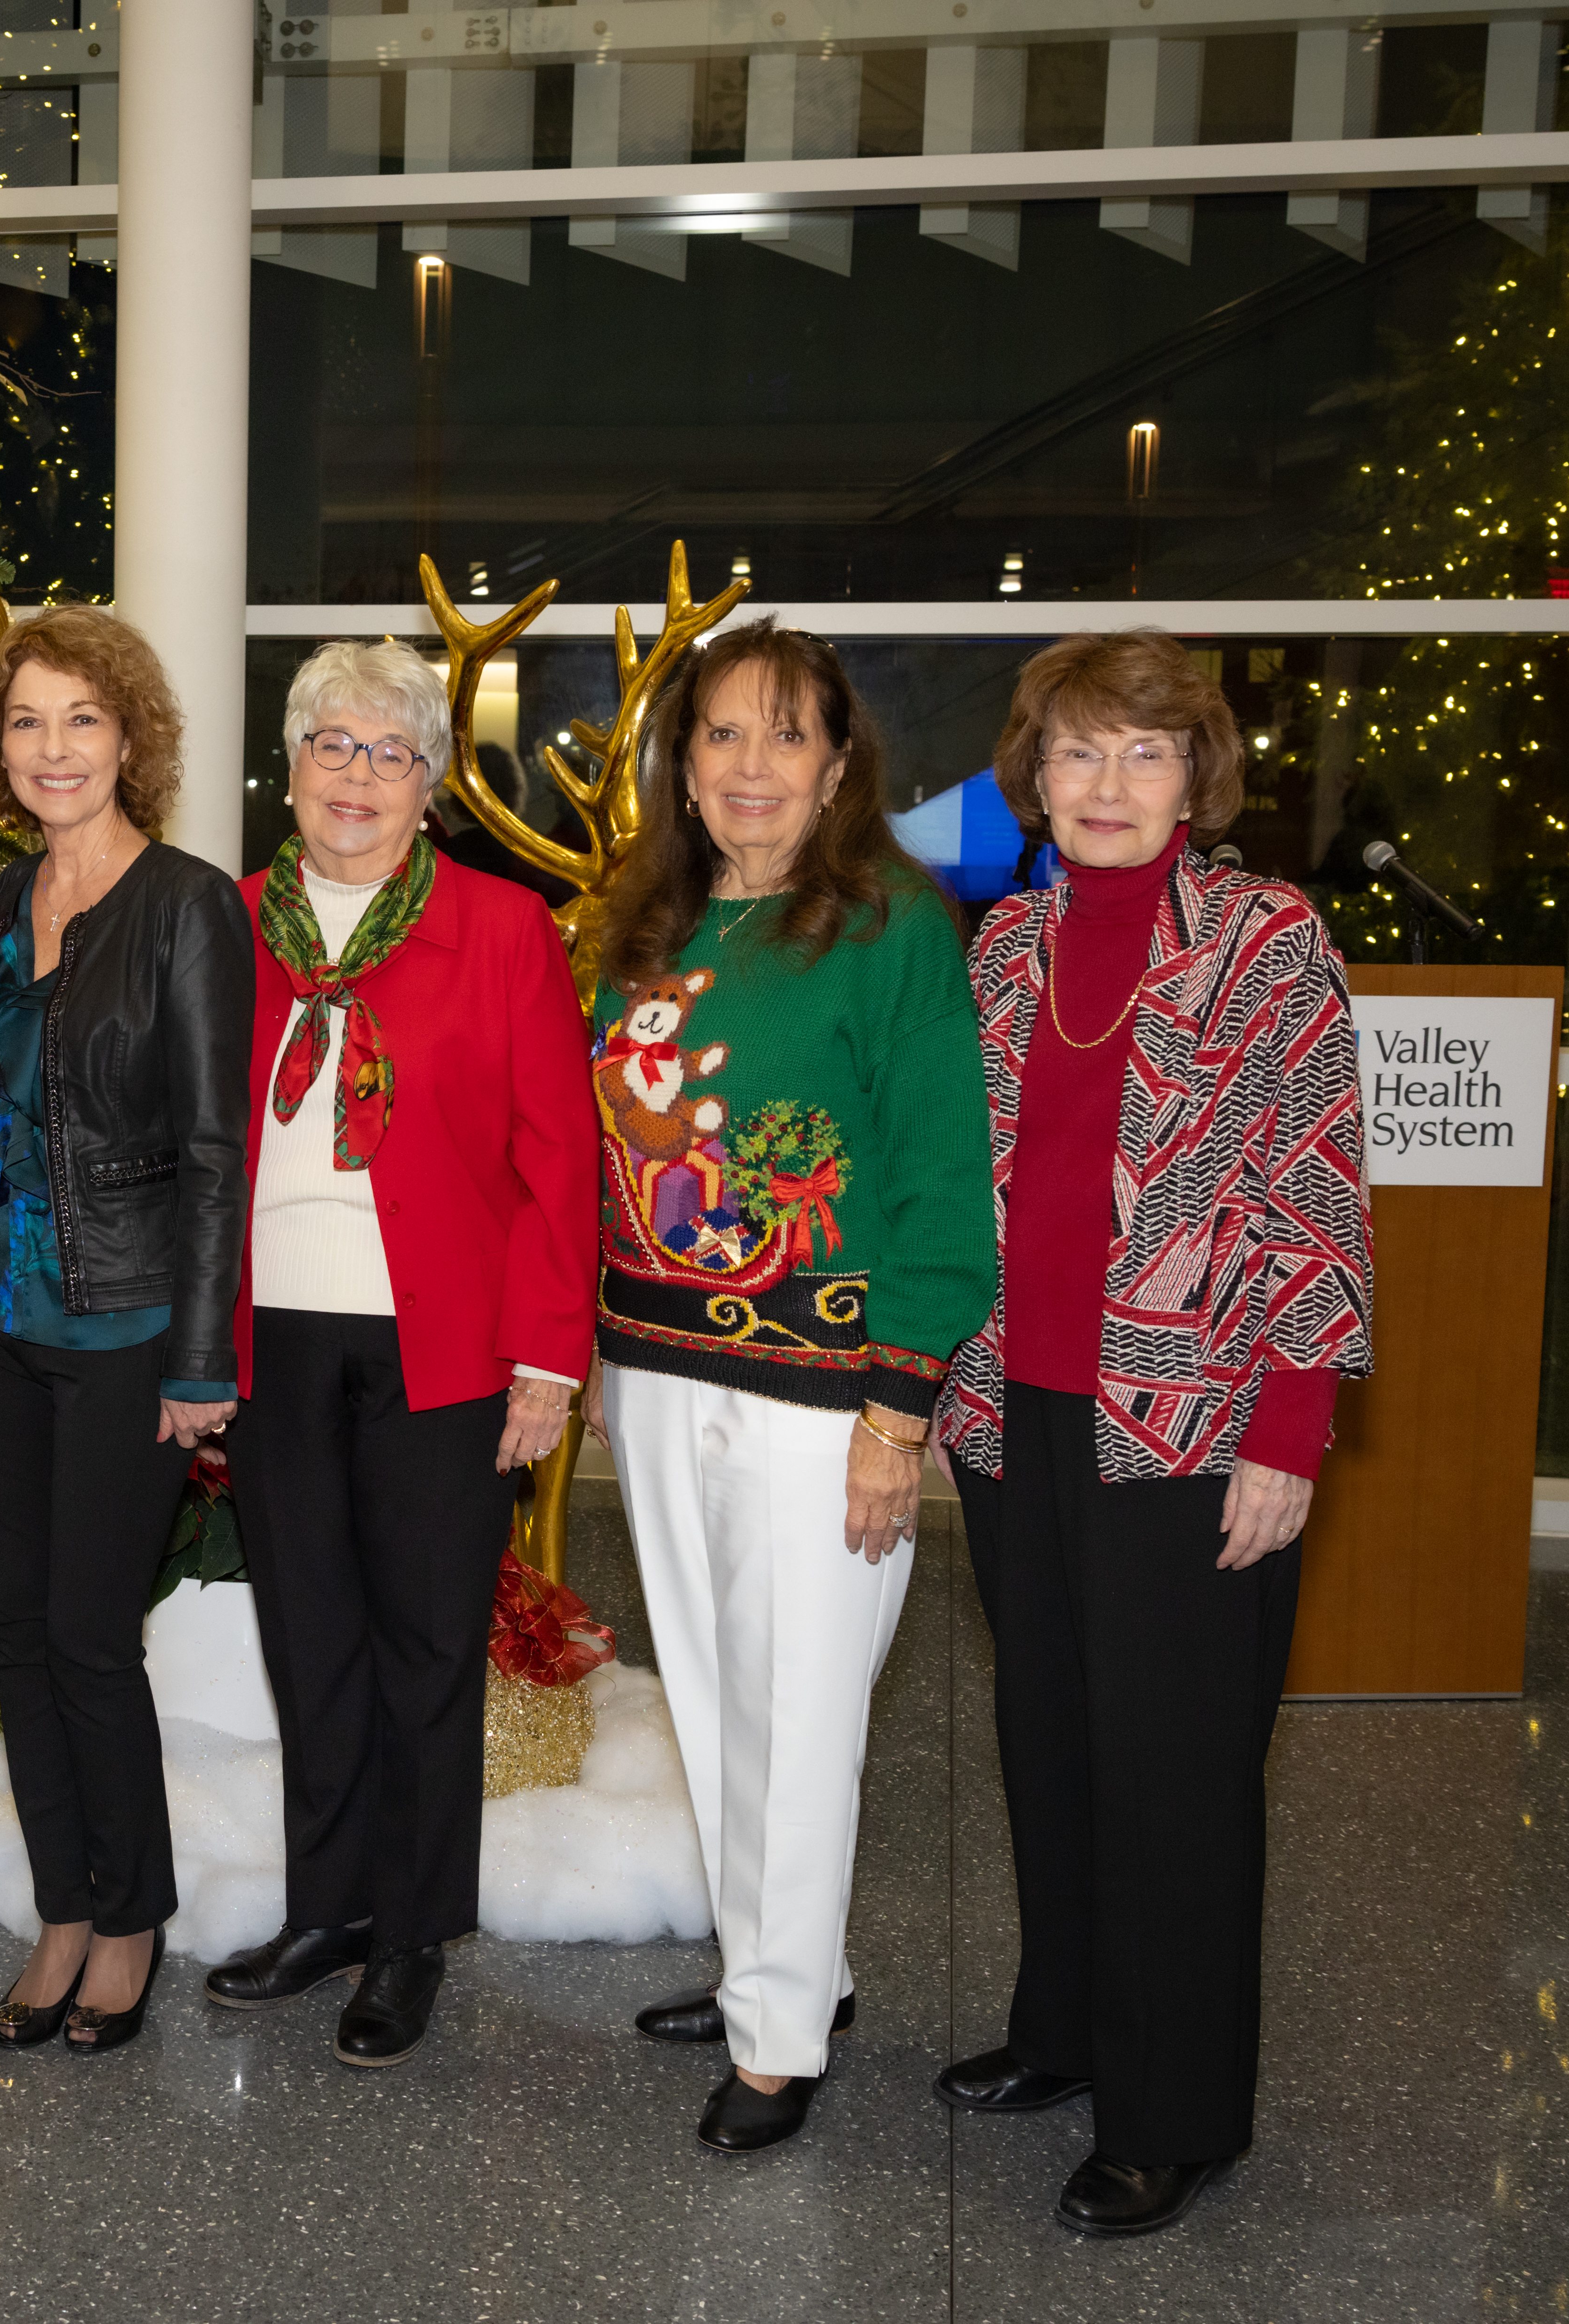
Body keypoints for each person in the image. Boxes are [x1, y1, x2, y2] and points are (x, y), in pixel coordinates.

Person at [931, 630, 1372, 2236]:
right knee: (1048, 1740)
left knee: (1176, 1772)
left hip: (1193, 1423)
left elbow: (1317, 1189)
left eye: (1144, 753)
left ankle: (1175, 2109)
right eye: (1077, 755)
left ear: (1198, 776)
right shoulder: (998, 949)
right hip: (1012, 1412)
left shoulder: (1267, 940)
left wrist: (1293, 1425)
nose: (1107, 786)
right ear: (1033, 781)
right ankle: (1065, 2034)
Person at [584, 619, 993, 2156]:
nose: (751, 767)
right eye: (722, 737)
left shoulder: (889, 926)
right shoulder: (654, 929)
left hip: (826, 1397)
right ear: (682, 767)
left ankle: (776, 2045)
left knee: (805, 1714)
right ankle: (785, 1974)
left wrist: (900, 1412)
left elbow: (950, 1184)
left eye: (786, 737)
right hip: (659, 1373)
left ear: (838, 765)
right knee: (715, 1705)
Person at [200, 638, 595, 2068]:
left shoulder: (502, 931)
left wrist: (550, 1360)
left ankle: (413, 1933)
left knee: (428, 1645)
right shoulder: (228, 923)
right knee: (309, 1638)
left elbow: (563, 1157)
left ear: (430, 783)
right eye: (331, 748)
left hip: (448, 1346)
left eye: (388, 753)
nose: (356, 777)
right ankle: (329, 1910)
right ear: (291, 769)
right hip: (272, 1341)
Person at [0, 607, 249, 2054]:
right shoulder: (7, 894)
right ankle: (65, 1903)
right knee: (16, 1626)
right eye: (26, 723)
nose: (53, 748)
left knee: (87, 1634)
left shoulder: (187, 904)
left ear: (130, 737)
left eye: (80, 720)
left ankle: (132, 1917)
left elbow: (211, 1146)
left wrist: (201, 1359)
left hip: (126, 1326)